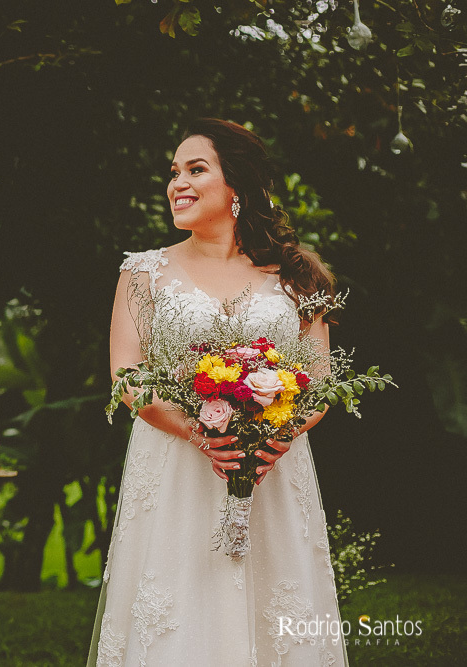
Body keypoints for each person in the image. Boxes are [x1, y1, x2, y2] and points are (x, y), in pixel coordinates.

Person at [88, 119, 347, 666]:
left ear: (239, 185)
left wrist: (280, 433)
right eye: (174, 172)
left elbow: (320, 383)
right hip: (178, 470)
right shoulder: (142, 273)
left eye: (195, 169)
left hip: (272, 472)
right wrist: (199, 433)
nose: (176, 183)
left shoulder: (296, 275)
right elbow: (125, 375)